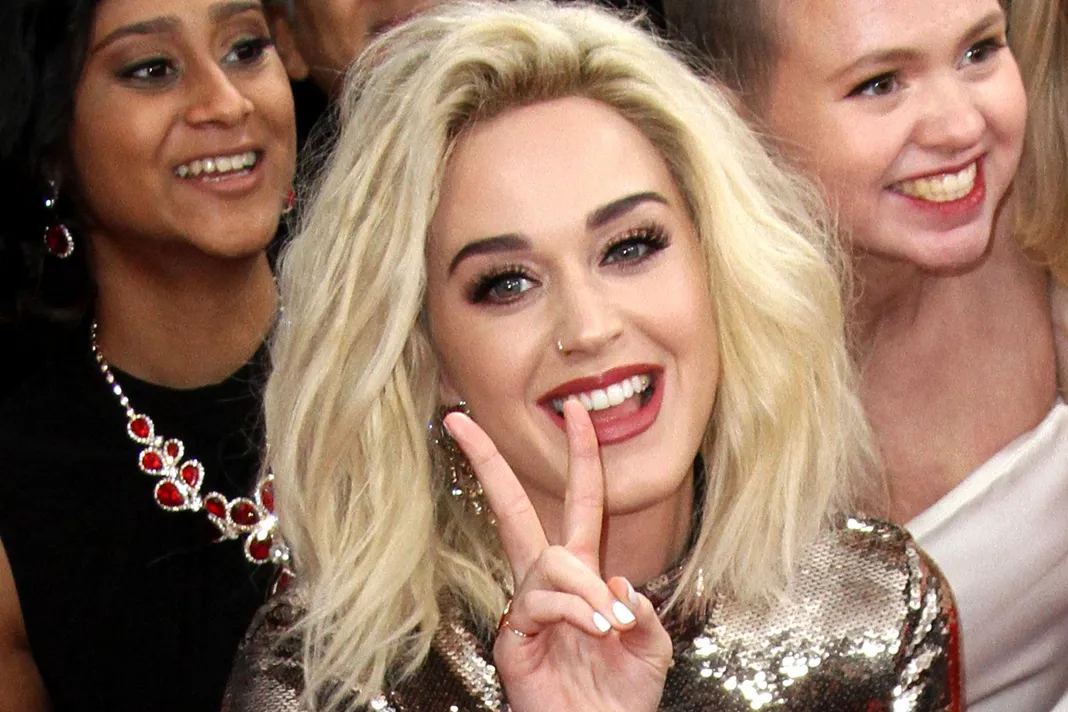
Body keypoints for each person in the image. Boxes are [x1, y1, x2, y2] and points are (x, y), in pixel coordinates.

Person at [222, 2, 960, 710]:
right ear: (428, 356)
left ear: (718, 268)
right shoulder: (325, 682)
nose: (589, 326)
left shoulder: (873, 612)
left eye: (629, 247)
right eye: (507, 284)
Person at [659, 0, 1068, 709]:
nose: (961, 126)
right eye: (880, 84)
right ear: (727, 114)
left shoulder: (1041, 220)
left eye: (978, 51)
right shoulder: (661, 380)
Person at [0, 0, 297, 708]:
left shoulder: (424, 349)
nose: (226, 102)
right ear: (52, 144)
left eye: (245, 49)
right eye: (152, 69)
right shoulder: (23, 506)